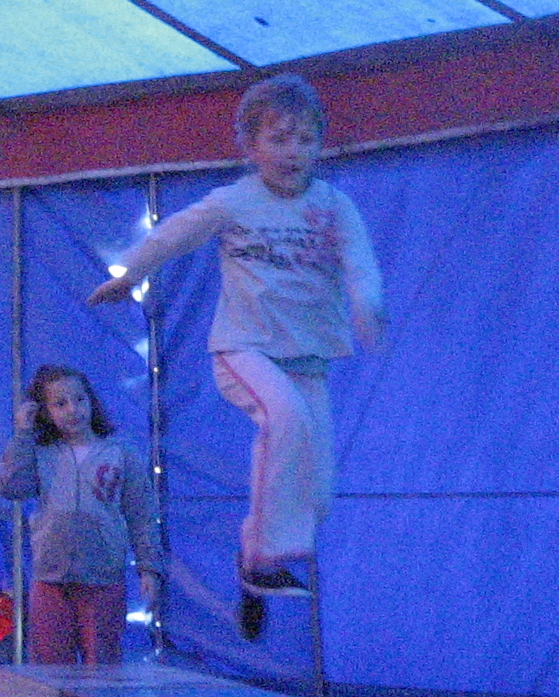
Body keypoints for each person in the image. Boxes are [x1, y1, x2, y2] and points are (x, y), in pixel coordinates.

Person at [89, 74, 383, 642]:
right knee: (284, 417)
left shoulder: (332, 206)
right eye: (279, 139)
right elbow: (175, 234)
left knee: (317, 492)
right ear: (251, 147)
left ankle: (250, 563)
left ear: (320, 145)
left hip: (307, 359)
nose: (293, 152)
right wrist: (130, 274)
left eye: (305, 140)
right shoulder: (236, 200)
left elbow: (360, 260)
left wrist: (367, 305)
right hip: (243, 349)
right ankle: (269, 556)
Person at [0, 365, 163, 667]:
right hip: (50, 580)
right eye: (60, 404)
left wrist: (148, 569)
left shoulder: (120, 454)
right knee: (49, 668)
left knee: (102, 667)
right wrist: (22, 435)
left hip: (103, 581)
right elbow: (11, 488)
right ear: (45, 412)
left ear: (91, 402)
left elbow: (142, 515)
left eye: (79, 399)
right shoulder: (42, 454)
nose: (73, 410)